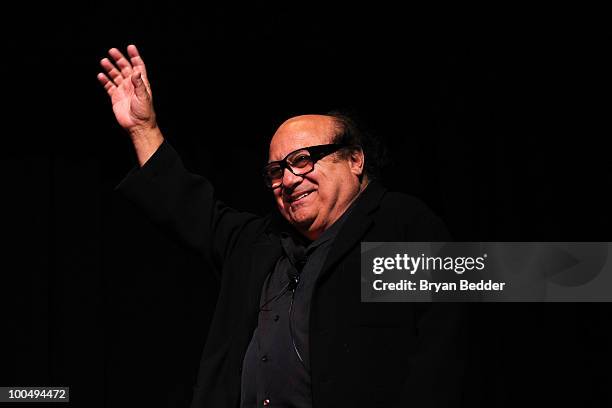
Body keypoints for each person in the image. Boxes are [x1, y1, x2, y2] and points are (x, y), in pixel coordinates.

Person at [98, 45, 468, 408]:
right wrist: (143, 129)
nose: (288, 180)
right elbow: (188, 207)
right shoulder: (260, 243)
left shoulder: (400, 225)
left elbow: (444, 348)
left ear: (355, 159)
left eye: (303, 161)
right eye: (276, 171)